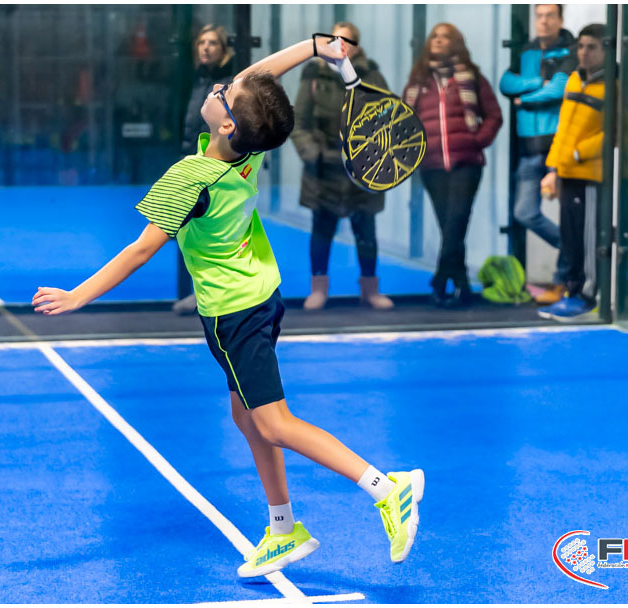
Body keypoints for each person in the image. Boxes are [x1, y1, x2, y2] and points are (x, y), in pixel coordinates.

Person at [33, 35, 424, 577]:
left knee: (275, 423)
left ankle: (386, 487)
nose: (219, 87)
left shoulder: (189, 177)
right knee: (247, 416)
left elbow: (141, 250)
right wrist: (314, 47)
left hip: (233, 314)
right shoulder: (251, 146)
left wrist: (79, 295)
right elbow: (256, 81)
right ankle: (283, 530)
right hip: (262, 296)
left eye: (223, 94)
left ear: (226, 125)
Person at [291, 22, 393, 310]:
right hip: (323, 169)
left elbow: (387, 118)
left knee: (366, 231)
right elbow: (299, 123)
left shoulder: (372, 76)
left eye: (346, 39)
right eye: (335, 38)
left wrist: (372, 156)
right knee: (322, 230)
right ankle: (318, 289)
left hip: (363, 170)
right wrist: (313, 154)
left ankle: (370, 290)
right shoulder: (314, 75)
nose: (340, 43)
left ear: (357, 46)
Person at [403, 23, 503, 307]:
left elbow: (494, 116)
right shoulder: (417, 83)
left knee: (456, 221)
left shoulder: (472, 78)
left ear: (456, 43)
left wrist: (476, 141)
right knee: (450, 227)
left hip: (466, 164)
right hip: (431, 165)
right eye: (434, 36)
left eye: (445, 37)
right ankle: (462, 284)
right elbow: (404, 121)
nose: (438, 40)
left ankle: (439, 279)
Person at [499, 4, 576, 305]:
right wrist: (534, 84)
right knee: (524, 213)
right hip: (528, 149)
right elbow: (506, 83)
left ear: (560, 19)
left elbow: (558, 90)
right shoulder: (526, 51)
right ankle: (572, 249)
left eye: (549, 16)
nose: (543, 21)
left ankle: (562, 282)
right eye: (539, 16)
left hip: (557, 147)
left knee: (569, 217)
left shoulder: (570, 52)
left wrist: (525, 100)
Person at [538, 24, 608, 321]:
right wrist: (553, 167)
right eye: (581, 46)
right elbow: (563, 129)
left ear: (606, 50)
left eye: (592, 47)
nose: (584, 52)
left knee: (588, 239)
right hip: (567, 172)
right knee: (570, 238)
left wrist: (580, 153)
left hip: (590, 176)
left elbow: (616, 131)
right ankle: (572, 291)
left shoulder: (613, 85)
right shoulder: (574, 80)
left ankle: (588, 296)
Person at [174, 25, 236, 315]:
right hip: (193, 166)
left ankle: (215, 294)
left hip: (216, 170)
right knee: (189, 231)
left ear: (224, 49)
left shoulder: (230, 83)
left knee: (215, 234)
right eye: (201, 42)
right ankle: (199, 292)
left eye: (212, 42)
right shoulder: (197, 80)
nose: (206, 47)